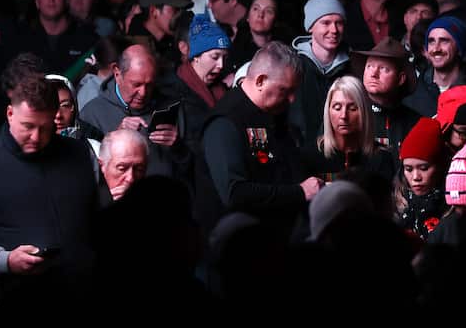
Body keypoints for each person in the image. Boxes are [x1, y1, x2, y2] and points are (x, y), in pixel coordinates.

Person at [0, 75, 99, 300]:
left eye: (44, 127)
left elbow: (101, 220)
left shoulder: (82, 155)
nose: (36, 136)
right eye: (28, 126)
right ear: (10, 114)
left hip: (81, 298)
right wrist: (5, 260)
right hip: (13, 305)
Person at [196, 43, 322, 231]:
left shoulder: (268, 113)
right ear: (261, 81)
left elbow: (274, 167)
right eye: (285, 90)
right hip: (231, 243)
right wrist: (299, 192)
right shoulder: (224, 123)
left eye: (294, 91)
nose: (292, 99)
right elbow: (234, 193)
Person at [77, 43, 189, 179]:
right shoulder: (93, 113)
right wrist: (115, 138)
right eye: (136, 84)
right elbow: (86, 174)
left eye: (149, 85)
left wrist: (178, 147)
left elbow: (192, 170)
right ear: (117, 74)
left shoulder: (171, 108)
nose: (143, 93)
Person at [301, 76, 396, 182]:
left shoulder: (381, 158)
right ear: (328, 111)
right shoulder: (310, 155)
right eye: (337, 107)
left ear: (364, 112)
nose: (344, 116)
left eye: (352, 108)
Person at [288, 0, 351, 144]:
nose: (334, 30)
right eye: (326, 23)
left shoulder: (353, 67)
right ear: (310, 27)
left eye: (339, 23)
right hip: (300, 154)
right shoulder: (292, 66)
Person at [350, 37, 420, 156]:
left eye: (383, 69)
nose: (373, 74)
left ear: (401, 79)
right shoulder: (347, 116)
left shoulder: (416, 123)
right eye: (369, 66)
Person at [394, 117, 447, 240]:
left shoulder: (452, 207)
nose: (416, 177)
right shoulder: (396, 204)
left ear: (439, 166)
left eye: (423, 168)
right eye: (408, 169)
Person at [96, 129, 148, 203]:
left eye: (139, 169)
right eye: (122, 169)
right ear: (102, 166)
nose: (130, 178)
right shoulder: (84, 202)